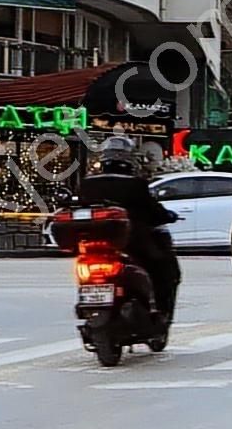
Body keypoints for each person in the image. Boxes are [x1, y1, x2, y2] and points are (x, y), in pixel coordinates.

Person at [75, 135, 181, 319]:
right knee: (164, 270)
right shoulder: (135, 184)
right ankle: (159, 312)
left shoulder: (87, 183)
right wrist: (168, 216)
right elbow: (152, 210)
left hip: (93, 244)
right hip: (134, 243)